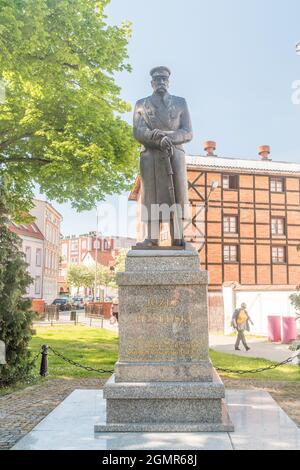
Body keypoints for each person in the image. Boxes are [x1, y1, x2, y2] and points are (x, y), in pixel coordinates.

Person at [133, 66, 193, 247]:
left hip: (174, 155)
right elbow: (138, 131)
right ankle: (152, 238)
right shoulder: (141, 104)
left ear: (168, 82)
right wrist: (158, 138)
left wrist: (170, 138)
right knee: (151, 196)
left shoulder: (180, 102)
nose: (161, 82)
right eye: (157, 80)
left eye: (164, 79)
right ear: (152, 83)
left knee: (177, 195)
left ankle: (178, 236)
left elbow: (187, 131)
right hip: (151, 155)